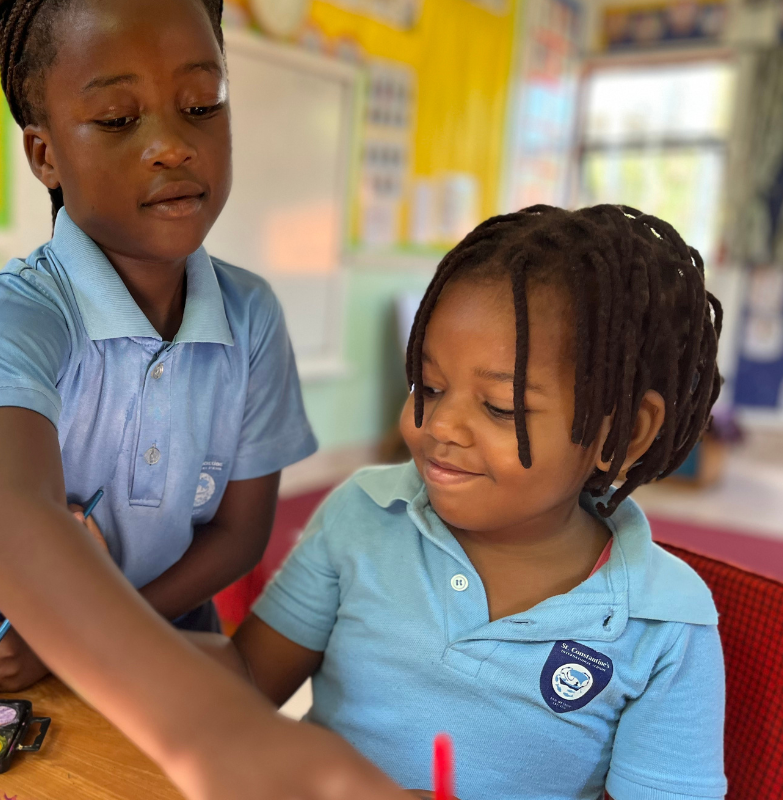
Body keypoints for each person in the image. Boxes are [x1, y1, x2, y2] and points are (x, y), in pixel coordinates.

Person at [0, 1, 408, 798]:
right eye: (118, 118)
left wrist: (69, 643)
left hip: (179, 644)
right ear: (45, 154)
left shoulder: (251, 317)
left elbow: (239, 533)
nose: (172, 145)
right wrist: (213, 732)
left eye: (202, 105)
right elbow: (10, 520)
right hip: (0, 654)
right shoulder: (21, 314)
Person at [196, 205, 727, 799]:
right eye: (428, 387)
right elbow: (241, 687)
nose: (439, 425)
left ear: (623, 436)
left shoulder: (664, 624)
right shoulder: (363, 515)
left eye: (500, 408)